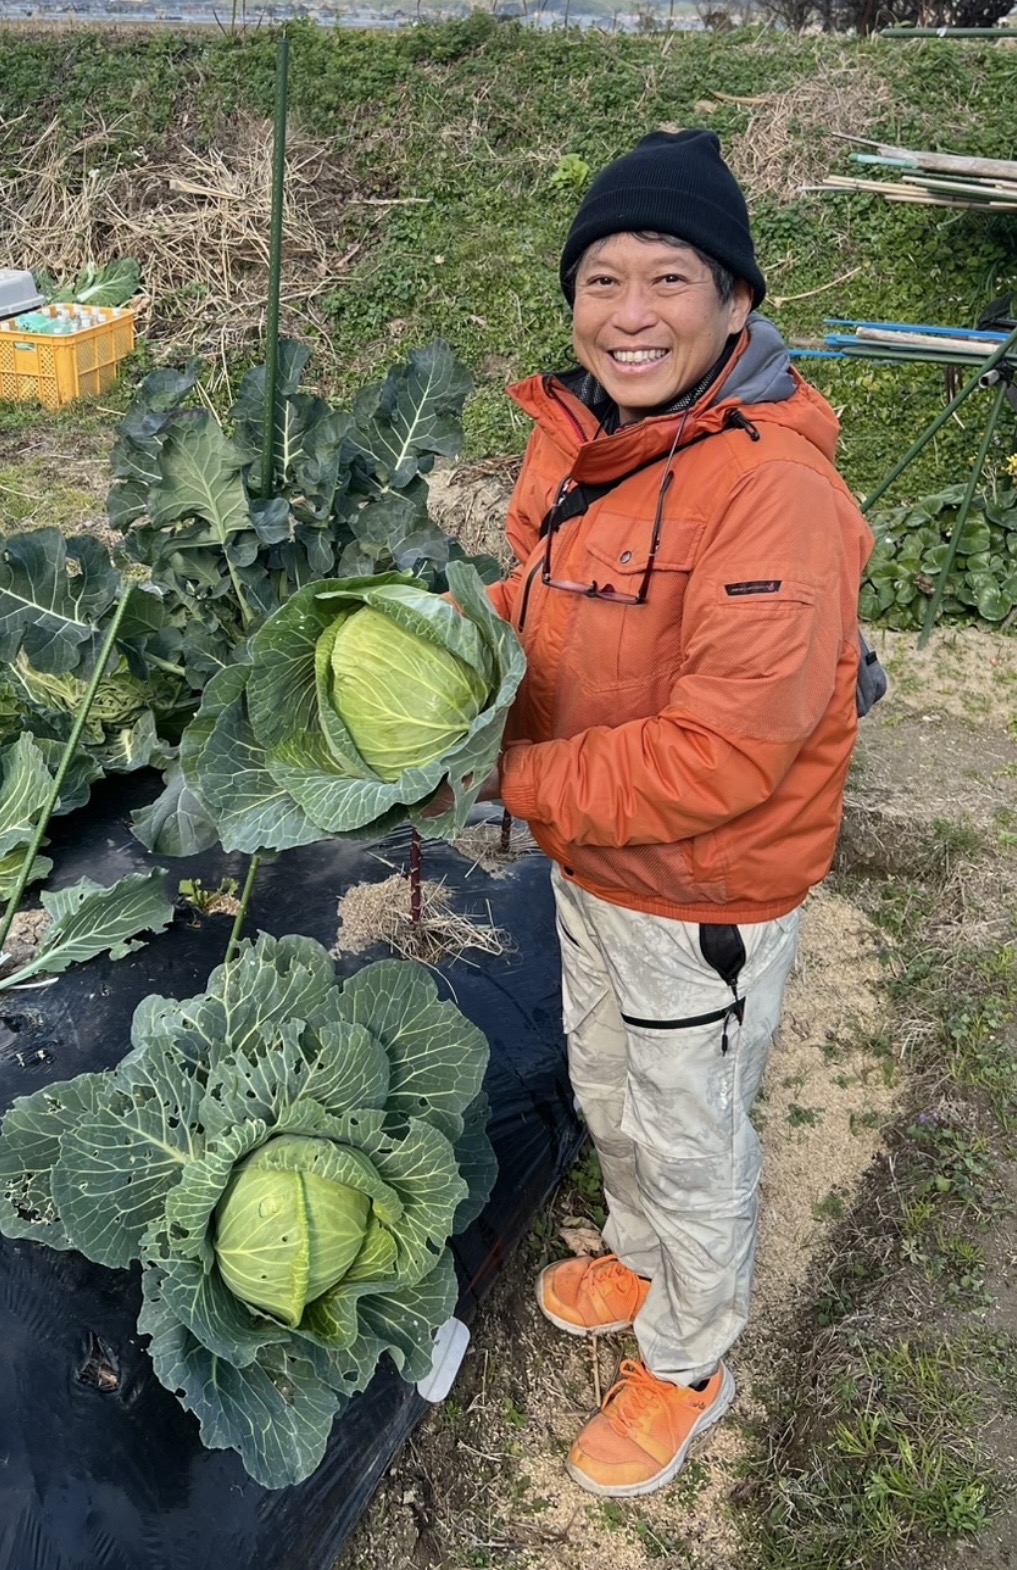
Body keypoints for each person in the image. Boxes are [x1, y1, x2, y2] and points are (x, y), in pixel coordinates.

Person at [472, 129, 873, 1499]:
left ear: (735, 303)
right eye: (599, 278)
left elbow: (721, 755)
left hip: (697, 881)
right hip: (593, 859)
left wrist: (499, 779)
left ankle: (691, 1357)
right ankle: (637, 1251)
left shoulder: (773, 489)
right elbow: (531, 609)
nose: (627, 312)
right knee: (611, 1083)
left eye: (666, 277)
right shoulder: (587, 434)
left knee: (694, 1133)